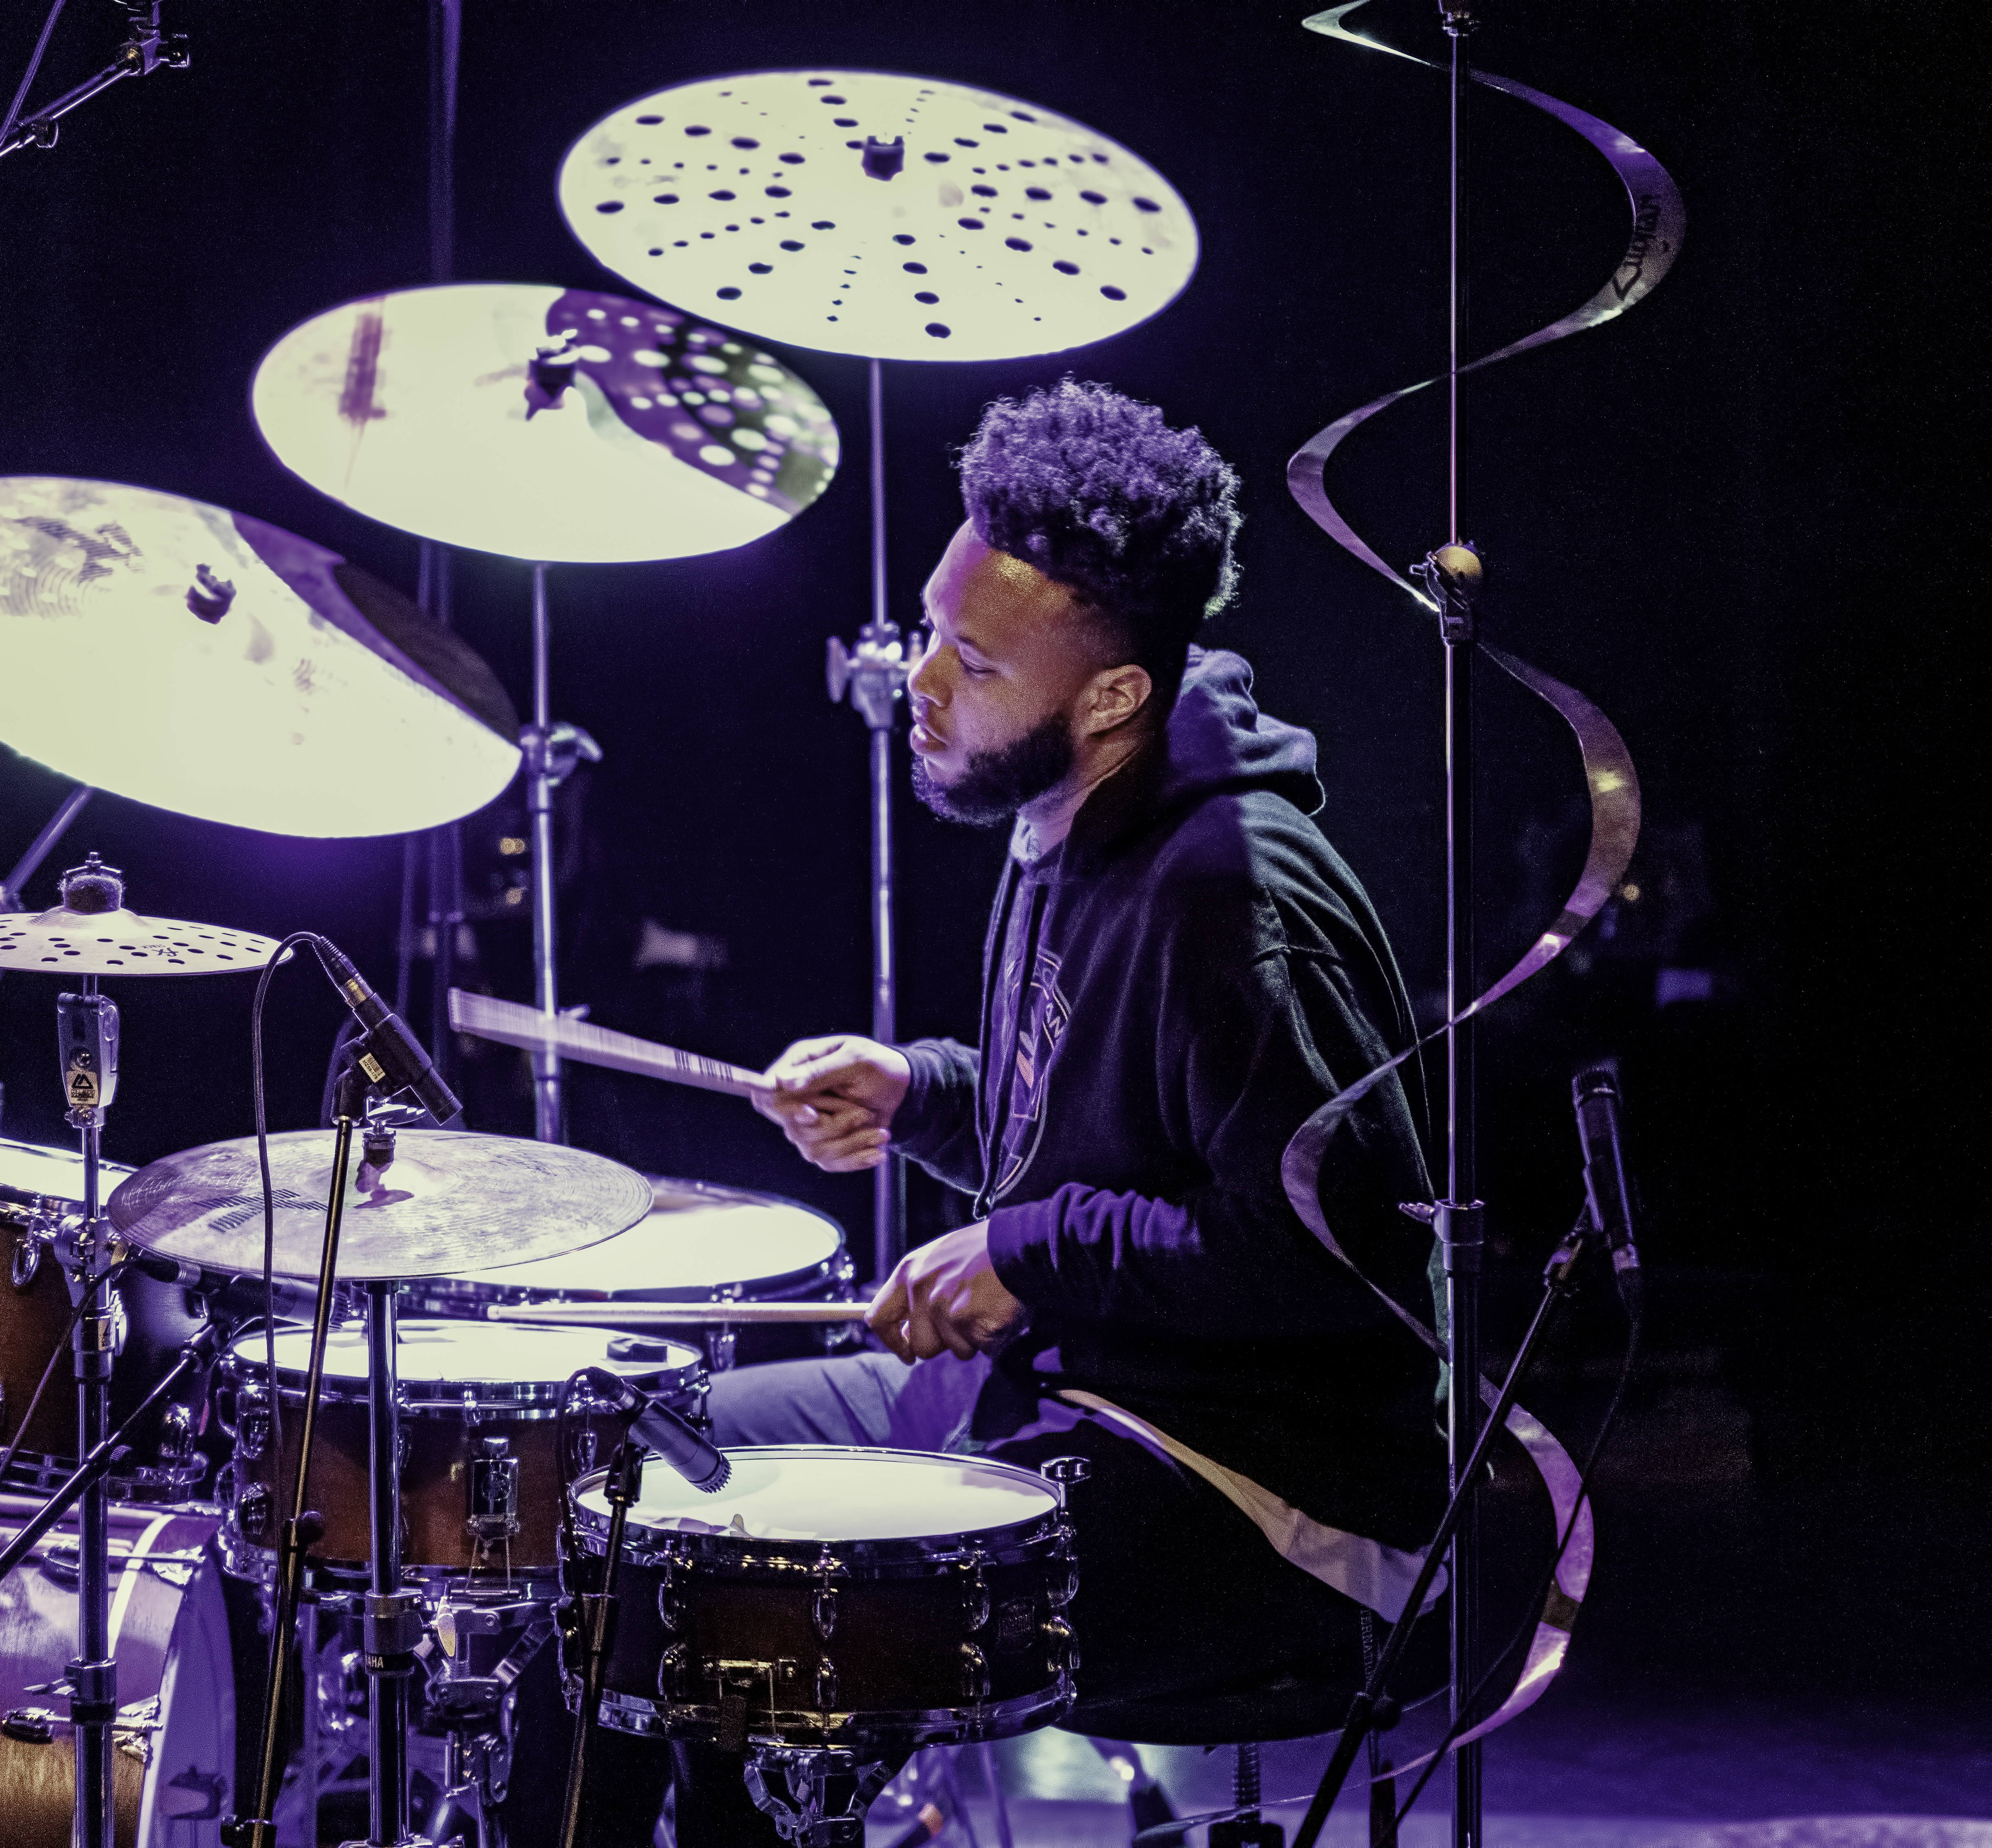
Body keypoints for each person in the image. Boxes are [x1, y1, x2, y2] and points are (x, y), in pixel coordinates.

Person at [524, 380, 1446, 1847]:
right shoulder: (1063, 823)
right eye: (928, 633)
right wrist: (922, 1093)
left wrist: (1029, 1251)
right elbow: (1088, 1123)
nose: (922, 686)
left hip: (1266, 1492)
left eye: (969, 659)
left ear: (1113, 696)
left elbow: (1330, 1254)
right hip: (1076, 1393)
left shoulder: (1235, 891)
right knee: (626, 1496)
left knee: (755, 1602)